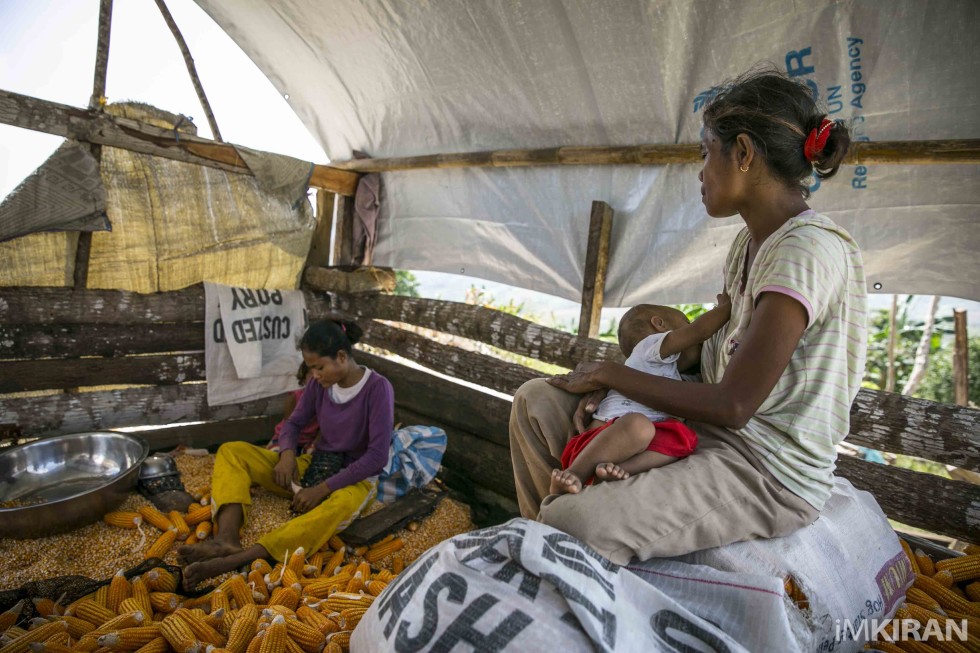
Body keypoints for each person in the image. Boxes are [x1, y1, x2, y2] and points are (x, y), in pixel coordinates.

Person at [510, 66, 867, 565]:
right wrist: (621, 384)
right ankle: (545, 549)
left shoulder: (804, 252)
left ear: (742, 153)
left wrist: (618, 374)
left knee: (574, 525)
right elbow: (712, 365)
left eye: (706, 152)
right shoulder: (748, 245)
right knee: (535, 403)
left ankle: (554, 542)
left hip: (764, 468)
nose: (700, 171)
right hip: (709, 433)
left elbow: (735, 404)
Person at [178, 319, 394, 588]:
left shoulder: (377, 389)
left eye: (319, 367)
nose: (313, 375)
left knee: (335, 508)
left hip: (354, 480)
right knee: (233, 452)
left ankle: (242, 559)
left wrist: (322, 489)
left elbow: (376, 458)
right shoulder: (320, 384)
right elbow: (293, 423)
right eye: (311, 368)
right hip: (315, 465)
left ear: (341, 357)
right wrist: (287, 454)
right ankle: (227, 539)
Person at [550, 295, 730, 495]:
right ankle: (575, 473)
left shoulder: (674, 376)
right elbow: (699, 331)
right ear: (659, 324)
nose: (691, 329)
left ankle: (619, 471)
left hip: (641, 442)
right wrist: (726, 307)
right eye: (686, 321)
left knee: (683, 439)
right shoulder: (649, 347)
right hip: (604, 436)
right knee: (638, 425)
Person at [265, 361, 320, 454]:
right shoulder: (294, 397)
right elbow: (288, 425)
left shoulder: (328, 401)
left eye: (320, 373)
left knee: (312, 454)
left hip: (310, 440)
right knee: (275, 454)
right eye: (311, 374)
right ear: (303, 378)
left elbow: (324, 429)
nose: (316, 378)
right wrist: (288, 447)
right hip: (285, 437)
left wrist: (315, 443)